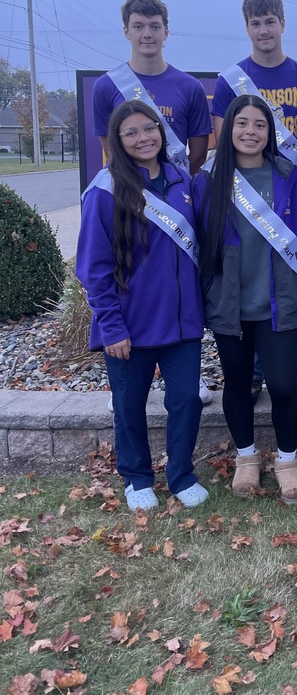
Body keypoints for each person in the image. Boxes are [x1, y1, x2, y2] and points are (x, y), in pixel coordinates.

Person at [76, 100, 208, 511]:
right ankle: (136, 477)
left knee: (186, 399)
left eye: (148, 129)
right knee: (129, 405)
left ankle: (181, 474)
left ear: (160, 130)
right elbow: (93, 266)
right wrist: (111, 326)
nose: (142, 138)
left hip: (182, 323)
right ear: (117, 140)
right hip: (128, 326)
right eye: (129, 132)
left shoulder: (181, 181)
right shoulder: (106, 189)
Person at [92, 0, 214, 406]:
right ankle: (128, 382)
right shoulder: (107, 86)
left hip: (175, 200)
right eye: (139, 26)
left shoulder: (188, 87)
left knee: (177, 284)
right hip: (129, 201)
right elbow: (111, 151)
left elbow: (198, 154)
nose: (147, 34)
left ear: (167, 31)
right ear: (126, 31)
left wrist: (175, 189)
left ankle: (183, 376)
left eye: (155, 26)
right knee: (132, 280)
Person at [192, 94, 297, 505]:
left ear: (270, 132)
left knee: (282, 385)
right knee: (239, 384)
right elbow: (200, 241)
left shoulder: (287, 174)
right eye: (241, 123)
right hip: (230, 303)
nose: (250, 131)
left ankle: (287, 460)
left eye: (259, 125)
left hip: (278, 302)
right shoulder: (208, 181)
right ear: (228, 130)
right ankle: (246, 458)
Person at [211, 0, 297, 405]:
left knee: (293, 275)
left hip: (288, 192)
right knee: (252, 279)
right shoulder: (230, 81)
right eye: (255, 23)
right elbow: (226, 141)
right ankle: (255, 372)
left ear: (282, 24)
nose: (263, 30)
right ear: (247, 28)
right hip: (242, 194)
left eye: (270, 21)